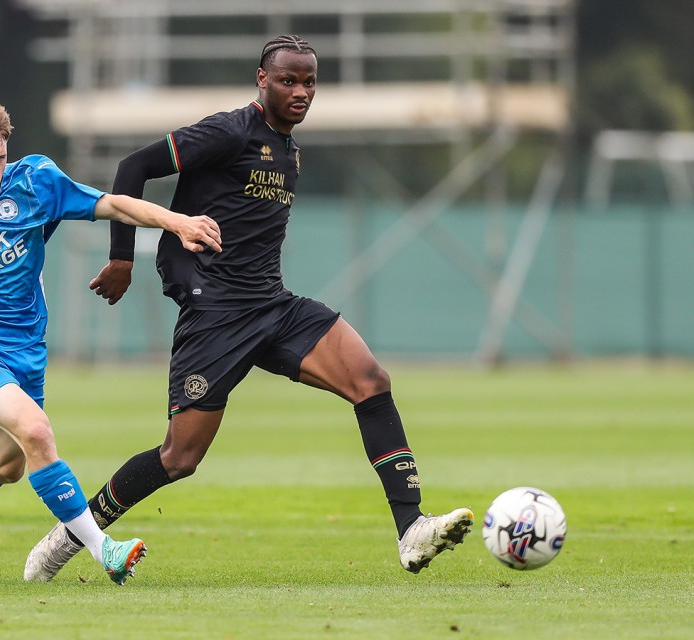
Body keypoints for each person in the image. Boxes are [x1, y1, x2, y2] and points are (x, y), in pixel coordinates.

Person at [23, 36, 472, 582]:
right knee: (179, 458)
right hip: (215, 314)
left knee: (370, 381)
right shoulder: (228, 130)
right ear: (262, 79)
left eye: (309, 81)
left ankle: (411, 529)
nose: (301, 91)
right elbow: (132, 167)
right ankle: (74, 533)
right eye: (288, 80)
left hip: (273, 304)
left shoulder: (289, 148)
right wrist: (123, 259)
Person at [0, 99, 221, 585]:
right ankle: (103, 548)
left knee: (5, 466)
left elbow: (111, 203)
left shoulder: (34, 183)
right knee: (38, 432)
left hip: (26, 351)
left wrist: (176, 220)